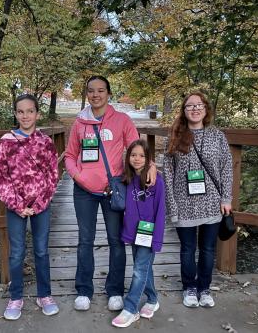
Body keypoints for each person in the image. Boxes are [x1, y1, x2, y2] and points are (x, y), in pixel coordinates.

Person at [64, 75, 156, 312]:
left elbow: (138, 150)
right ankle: (84, 290)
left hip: (113, 190)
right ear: (87, 94)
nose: (96, 95)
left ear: (109, 93)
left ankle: (115, 289)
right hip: (83, 191)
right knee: (85, 240)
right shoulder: (79, 123)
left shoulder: (122, 120)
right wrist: (78, 176)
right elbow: (70, 155)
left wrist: (151, 166)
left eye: (101, 90)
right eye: (92, 91)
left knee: (116, 241)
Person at [163, 91, 232, 308]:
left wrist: (226, 198)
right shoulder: (174, 136)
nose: (195, 109)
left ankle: (204, 288)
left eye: (199, 105)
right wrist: (172, 205)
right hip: (184, 203)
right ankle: (189, 288)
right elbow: (168, 172)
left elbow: (226, 167)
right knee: (187, 248)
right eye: (190, 106)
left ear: (206, 109)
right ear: (184, 111)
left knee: (208, 249)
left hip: (212, 202)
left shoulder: (217, 136)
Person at [0, 94, 59, 320]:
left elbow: (53, 175)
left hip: (41, 205)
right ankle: (16, 297)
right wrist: (17, 205)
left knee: (41, 250)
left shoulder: (45, 142)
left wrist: (40, 203)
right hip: (15, 206)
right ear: (15, 114)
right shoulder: (6, 142)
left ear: (37, 114)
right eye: (21, 111)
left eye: (30, 111)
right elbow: (0, 177)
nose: (25, 116)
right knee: (17, 253)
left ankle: (45, 295)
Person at [111, 139, 165, 328]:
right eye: (133, 155)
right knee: (143, 267)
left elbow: (160, 212)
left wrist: (157, 239)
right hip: (135, 233)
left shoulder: (156, 180)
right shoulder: (128, 179)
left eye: (142, 156)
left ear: (149, 159)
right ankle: (152, 299)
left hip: (149, 233)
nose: (137, 159)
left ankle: (131, 308)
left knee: (139, 269)